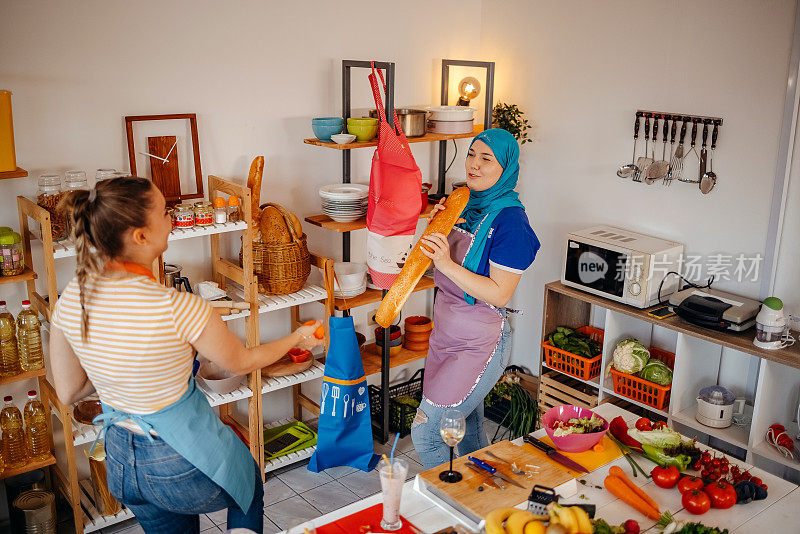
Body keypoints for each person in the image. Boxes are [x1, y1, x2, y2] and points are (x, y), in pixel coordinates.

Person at [48, 177, 324, 534]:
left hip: (120, 460)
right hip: (176, 457)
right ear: (140, 236)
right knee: (249, 485)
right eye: (164, 212)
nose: (172, 218)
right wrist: (298, 336)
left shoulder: (71, 298)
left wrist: (120, 376)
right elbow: (241, 362)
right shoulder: (180, 307)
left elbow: (69, 392)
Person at [410, 129, 540, 468]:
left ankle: (447, 499)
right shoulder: (465, 203)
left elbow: (500, 292)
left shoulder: (512, 223)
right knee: (468, 431)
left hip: (478, 344)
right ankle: (483, 500)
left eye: (487, 159)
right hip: (445, 336)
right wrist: (439, 222)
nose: (474, 165)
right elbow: (439, 266)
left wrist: (446, 262)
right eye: (471, 154)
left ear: (506, 168)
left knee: (426, 432)